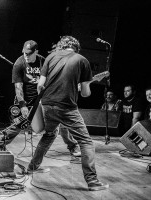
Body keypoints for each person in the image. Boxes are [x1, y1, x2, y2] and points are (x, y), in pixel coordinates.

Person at [29, 36, 109, 191]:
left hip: (47, 105)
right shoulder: (81, 60)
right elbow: (85, 94)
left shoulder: (50, 57)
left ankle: (32, 167)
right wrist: (81, 87)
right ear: (76, 47)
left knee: (49, 135)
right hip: (66, 107)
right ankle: (92, 181)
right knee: (85, 142)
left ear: (61, 46)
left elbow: (40, 85)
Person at [3, 40, 81, 156]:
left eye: (29, 54)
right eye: (25, 53)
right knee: (20, 124)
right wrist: (23, 105)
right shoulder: (19, 63)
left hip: (43, 98)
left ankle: (72, 146)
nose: (26, 56)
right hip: (26, 99)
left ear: (36, 52)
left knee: (62, 119)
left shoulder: (43, 61)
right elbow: (18, 87)